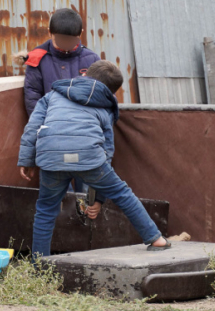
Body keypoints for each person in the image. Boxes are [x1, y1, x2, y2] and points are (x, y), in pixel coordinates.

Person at [17, 60, 170, 258]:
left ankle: (39, 265)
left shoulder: (52, 95)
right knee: (123, 194)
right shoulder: (105, 105)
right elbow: (107, 149)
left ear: (84, 75)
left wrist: (26, 160)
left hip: (51, 158)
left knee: (46, 210)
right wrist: (98, 198)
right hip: (89, 158)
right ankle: (155, 238)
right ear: (111, 92)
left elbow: (32, 128)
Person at [22, 8, 100, 116]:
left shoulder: (93, 60)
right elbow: (33, 95)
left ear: (80, 34)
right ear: (50, 32)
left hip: (85, 124)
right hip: (51, 123)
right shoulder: (37, 59)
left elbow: (104, 95)